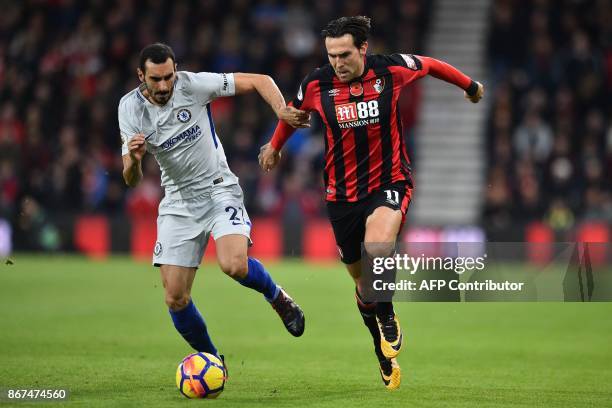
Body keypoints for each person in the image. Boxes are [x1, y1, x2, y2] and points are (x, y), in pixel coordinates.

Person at [259, 16, 484, 389]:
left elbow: (430, 64)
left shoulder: (390, 70)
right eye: (331, 55)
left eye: (344, 54)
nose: (337, 62)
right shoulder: (317, 83)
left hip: (389, 181)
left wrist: (470, 86)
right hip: (341, 195)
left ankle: (389, 314)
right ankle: (380, 349)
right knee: (364, 285)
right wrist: (274, 146)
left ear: (362, 48)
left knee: (379, 246)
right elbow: (292, 112)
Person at [118, 43, 308, 366]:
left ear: (175, 69)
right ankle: (212, 361)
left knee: (233, 264)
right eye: (156, 79)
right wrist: (134, 162)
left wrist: (280, 111)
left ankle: (277, 296)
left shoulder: (193, 86)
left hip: (218, 189)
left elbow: (260, 80)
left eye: (168, 77)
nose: (164, 86)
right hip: (178, 201)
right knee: (175, 298)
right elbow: (130, 179)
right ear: (141, 76)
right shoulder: (129, 109)